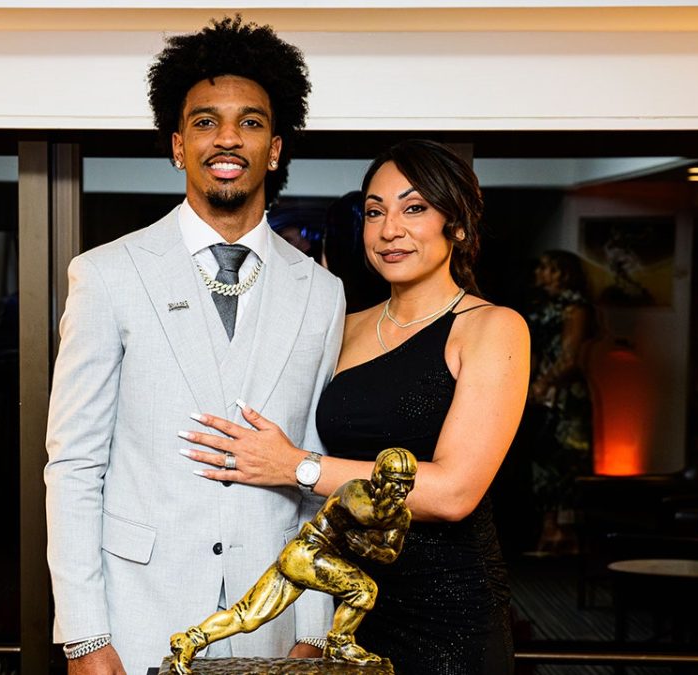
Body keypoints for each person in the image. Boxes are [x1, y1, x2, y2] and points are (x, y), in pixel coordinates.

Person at [44, 16, 345, 675]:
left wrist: (315, 628)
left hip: (275, 621)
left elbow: (317, 475)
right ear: (179, 146)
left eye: (250, 122)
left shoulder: (322, 294)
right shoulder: (107, 274)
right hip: (137, 616)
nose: (227, 138)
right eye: (206, 122)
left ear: (275, 148)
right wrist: (85, 636)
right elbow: (74, 465)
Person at [182, 139, 529, 674]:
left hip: (449, 612)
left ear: (457, 226)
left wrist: (296, 466)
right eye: (374, 212)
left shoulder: (491, 327)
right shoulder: (343, 325)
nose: (390, 230)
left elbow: (454, 492)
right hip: (346, 603)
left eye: (414, 208)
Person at [168, 448, 417, 674]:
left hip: (305, 559)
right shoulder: (356, 490)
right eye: (395, 482)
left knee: (248, 616)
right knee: (364, 590)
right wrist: (385, 524)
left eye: (407, 483)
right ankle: (339, 644)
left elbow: (390, 553)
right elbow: (365, 514)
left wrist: (371, 549)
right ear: (378, 477)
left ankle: (191, 640)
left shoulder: (401, 515)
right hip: (306, 552)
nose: (401, 490)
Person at [527, 250, 594, 554]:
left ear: (562, 273)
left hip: (566, 395)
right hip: (539, 392)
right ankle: (548, 529)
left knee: (567, 459)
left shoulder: (575, 307)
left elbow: (570, 357)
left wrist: (543, 383)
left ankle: (568, 534)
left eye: (547, 268)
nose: (540, 273)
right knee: (542, 458)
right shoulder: (540, 307)